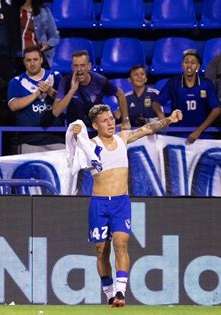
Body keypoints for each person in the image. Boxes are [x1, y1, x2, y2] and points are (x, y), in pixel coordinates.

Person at [68, 104, 183, 307]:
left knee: (121, 243)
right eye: (105, 120)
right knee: (101, 249)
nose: (111, 123)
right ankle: (109, 294)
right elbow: (74, 146)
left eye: (112, 118)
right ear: (95, 125)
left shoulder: (122, 138)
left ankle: (120, 292)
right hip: (99, 203)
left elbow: (147, 129)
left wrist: (169, 119)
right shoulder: (90, 145)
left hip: (121, 202)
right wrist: (76, 133)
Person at [53, 50, 131, 130]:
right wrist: (72, 90)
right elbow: (56, 112)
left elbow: (120, 94)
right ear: (72, 67)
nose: (79, 69)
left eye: (82, 65)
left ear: (89, 66)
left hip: (97, 130)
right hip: (76, 131)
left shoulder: (100, 81)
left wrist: (125, 120)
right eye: (76, 66)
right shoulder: (65, 82)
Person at [8, 46, 64, 154]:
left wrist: (50, 91)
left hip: (55, 137)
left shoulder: (55, 77)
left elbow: (65, 102)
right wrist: (36, 94)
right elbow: (13, 106)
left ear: (41, 60)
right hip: (27, 139)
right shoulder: (16, 81)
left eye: (35, 59)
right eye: (28, 60)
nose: (32, 63)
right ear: (24, 62)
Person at [158, 49, 221, 143]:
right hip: (177, 133)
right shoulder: (173, 83)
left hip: (203, 134)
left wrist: (198, 131)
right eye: (186, 62)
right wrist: (161, 115)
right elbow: (156, 102)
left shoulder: (206, 84)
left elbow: (217, 109)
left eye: (193, 62)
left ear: (198, 66)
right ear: (182, 65)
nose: (189, 65)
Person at [19, 0, 60, 69]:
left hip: (36, 57)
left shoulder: (44, 13)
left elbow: (55, 37)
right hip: (17, 57)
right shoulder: (11, 11)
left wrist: (47, 45)